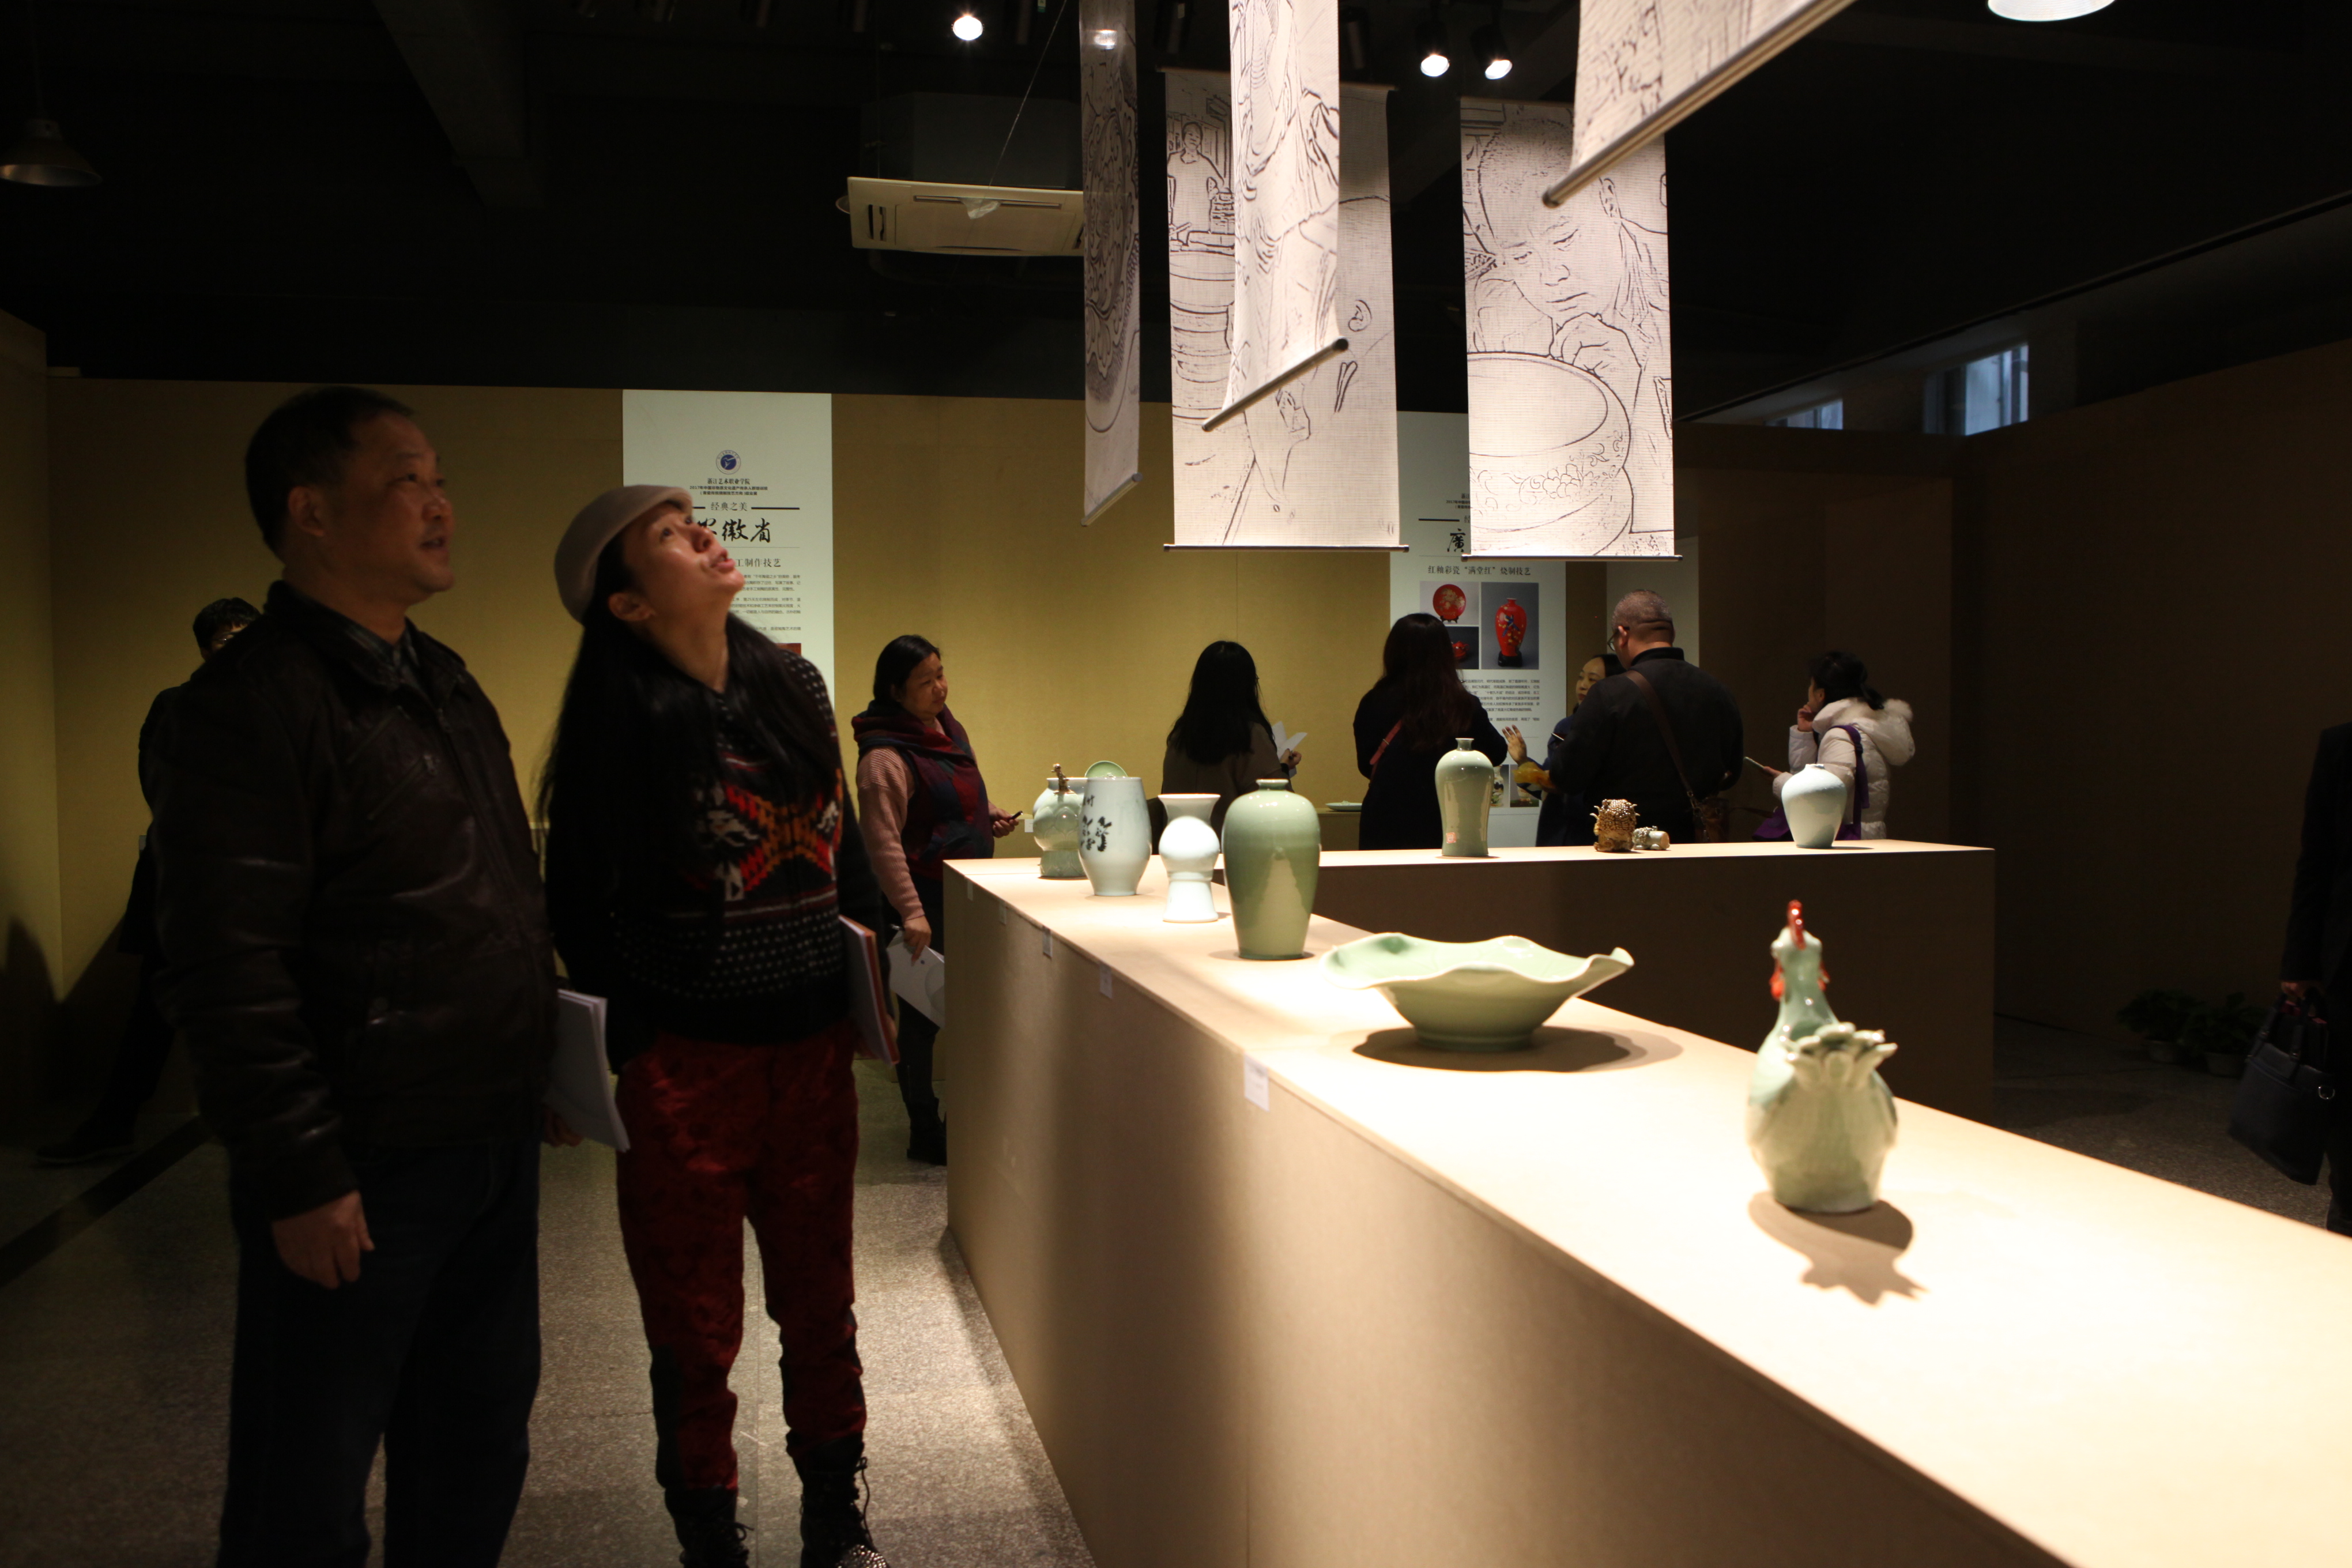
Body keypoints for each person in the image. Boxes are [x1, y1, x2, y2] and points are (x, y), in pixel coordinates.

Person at [149, 387, 559, 1567]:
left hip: (486, 1138)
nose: (440, 505)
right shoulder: (248, 704)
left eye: (440, 480)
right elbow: (228, 964)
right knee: (308, 1477)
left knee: (474, 1444)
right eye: (405, 481)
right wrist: (299, 1171)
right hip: (360, 1160)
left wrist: (540, 1062)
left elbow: (493, 897)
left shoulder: (446, 682)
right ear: (313, 513)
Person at [542, 486, 898, 1568]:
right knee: (694, 1329)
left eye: (696, 518)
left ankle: (836, 1523)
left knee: (822, 1304)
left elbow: (837, 848)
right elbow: (578, 905)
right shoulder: (620, 724)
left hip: (811, 1056)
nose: (703, 535)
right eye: (668, 536)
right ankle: (710, 1541)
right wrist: (636, 1044)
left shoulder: (793, 685)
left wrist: (867, 981)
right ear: (629, 605)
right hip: (687, 1067)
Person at [37, 595, 258, 1166]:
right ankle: (113, 1121)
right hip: (189, 879)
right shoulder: (176, 705)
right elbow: (162, 787)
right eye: (227, 639)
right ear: (205, 649)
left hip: (260, 884)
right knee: (156, 1004)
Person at [852, 636, 1019, 1167]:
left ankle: (960, 1120)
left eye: (941, 674)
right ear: (896, 690)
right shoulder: (883, 758)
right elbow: (882, 843)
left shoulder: (945, 727)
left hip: (962, 896)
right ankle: (924, 1130)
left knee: (963, 1010)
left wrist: (987, 814)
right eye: (926, 681)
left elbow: (951, 798)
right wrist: (912, 913)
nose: (940, 688)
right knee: (923, 1021)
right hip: (923, 900)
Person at [1548, 590, 1743, 843]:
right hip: (1692, 843)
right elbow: (1732, 772)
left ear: (1623, 635)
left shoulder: (1609, 693)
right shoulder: (1718, 691)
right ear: (1672, 634)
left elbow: (1567, 777)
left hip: (1621, 844)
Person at [1352, 613, 1507, 850]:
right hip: (1448, 815)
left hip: (1386, 814)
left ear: (1393, 650)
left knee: (1385, 874)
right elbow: (1496, 753)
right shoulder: (1462, 705)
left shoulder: (1374, 701)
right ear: (1444, 653)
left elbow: (1367, 765)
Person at [2281, 723, 2352, 1236]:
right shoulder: (2343, 745)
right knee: (2347, 1095)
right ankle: (2348, 1211)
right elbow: (2318, 858)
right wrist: (2300, 962)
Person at [1765, 651, 1915, 839]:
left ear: (1821, 694)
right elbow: (1817, 780)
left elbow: (1823, 795)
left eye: (1812, 685)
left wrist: (1781, 781)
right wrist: (1806, 735)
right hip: (1863, 837)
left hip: (1845, 841)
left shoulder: (1841, 736)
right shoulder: (1865, 726)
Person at [1160, 640, 1301, 831]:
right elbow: (1273, 804)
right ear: (1247, 685)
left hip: (1177, 842)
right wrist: (1282, 768)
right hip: (1232, 846)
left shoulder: (1180, 736)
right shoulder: (1249, 735)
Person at [1505, 651, 1611, 848]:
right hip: (1555, 830)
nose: (1582, 685)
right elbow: (1546, 787)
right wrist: (1523, 761)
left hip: (1593, 833)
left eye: (1592, 680)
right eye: (1581, 677)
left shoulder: (1615, 730)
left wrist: (1562, 786)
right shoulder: (1565, 726)